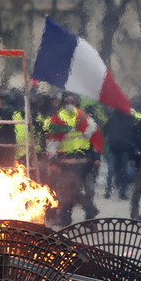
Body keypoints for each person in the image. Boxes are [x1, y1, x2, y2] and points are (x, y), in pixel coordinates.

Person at [45, 92, 102, 226]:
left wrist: (96, 157)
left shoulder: (86, 119)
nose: (70, 105)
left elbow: (95, 139)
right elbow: (52, 142)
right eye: (67, 102)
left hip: (85, 163)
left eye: (72, 102)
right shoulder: (56, 119)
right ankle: (68, 218)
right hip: (67, 164)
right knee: (68, 193)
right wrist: (52, 159)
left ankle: (89, 219)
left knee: (86, 192)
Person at [103, 109, 134, 200]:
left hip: (119, 148)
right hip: (120, 149)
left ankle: (112, 190)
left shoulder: (114, 118)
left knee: (114, 170)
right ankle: (119, 191)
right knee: (119, 171)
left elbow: (104, 131)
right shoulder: (127, 119)